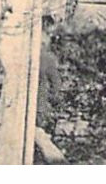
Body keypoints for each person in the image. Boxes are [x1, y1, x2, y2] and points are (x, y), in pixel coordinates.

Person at [34, 14, 67, 164]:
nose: (49, 40)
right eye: (48, 34)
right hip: (40, 110)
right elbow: (56, 86)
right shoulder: (46, 57)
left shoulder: (38, 55)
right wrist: (56, 102)